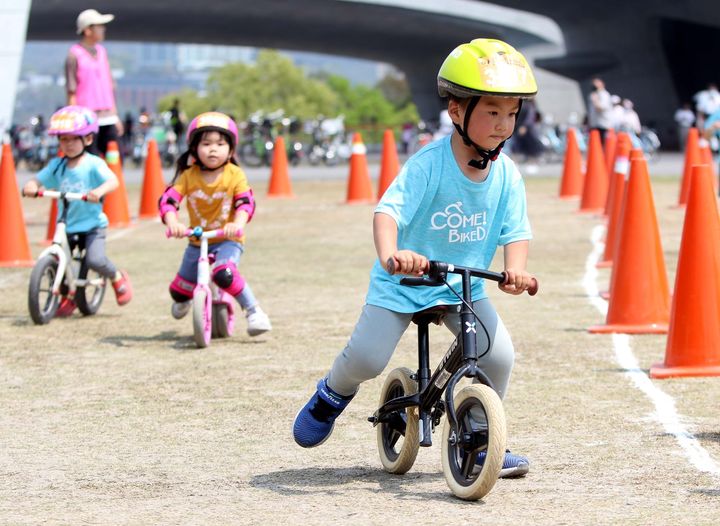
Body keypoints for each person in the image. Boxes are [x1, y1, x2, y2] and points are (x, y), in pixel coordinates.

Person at [293, 38, 537, 478]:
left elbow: (515, 230)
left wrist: (515, 268)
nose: (504, 125)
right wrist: (392, 255)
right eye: (492, 112)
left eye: (512, 114)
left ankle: (481, 441)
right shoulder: (428, 165)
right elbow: (388, 211)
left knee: (496, 355)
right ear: (457, 111)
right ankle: (331, 394)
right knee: (367, 357)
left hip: (462, 285)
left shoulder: (507, 175)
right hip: (403, 283)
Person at [158, 111, 272, 336]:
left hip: (228, 239)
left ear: (231, 149)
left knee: (224, 273)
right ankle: (189, 298)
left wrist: (237, 223)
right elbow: (168, 200)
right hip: (197, 240)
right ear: (194, 148)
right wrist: (173, 222)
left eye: (220, 144)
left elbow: (245, 203)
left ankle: (254, 311)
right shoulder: (188, 176)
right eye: (206, 143)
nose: (212, 149)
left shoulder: (234, 174)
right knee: (179, 292)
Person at [22, 106, 133, 315]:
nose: (69, 144)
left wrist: (98, 191)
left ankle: (117, 276)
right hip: (67, 224)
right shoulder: (57, 165)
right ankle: (68, 295)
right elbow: (39, 179)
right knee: (60, 258)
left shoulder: (93, 164)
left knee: (95, 259)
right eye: (64, 139)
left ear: (88, 140)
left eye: (74, 139)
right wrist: (32, 186)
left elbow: (113, 181)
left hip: (92, 225)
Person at [65, 9, 123, 157]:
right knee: (91, 158)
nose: (103, 29)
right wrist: (74, 121)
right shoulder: (74, 55)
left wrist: (115, 116)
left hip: (108, 116)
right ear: (87, 30)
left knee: (115, 156)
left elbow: (109, 86)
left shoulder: (102, 52)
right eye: (99, 26)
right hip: (87, 117)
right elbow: (71, 90)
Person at [587, 77, 613, 143]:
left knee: (602, 145)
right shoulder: (594, 94)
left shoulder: (604, 94)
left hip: (602, 125)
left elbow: (600, 108)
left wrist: (595, 100)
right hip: (595, 124)